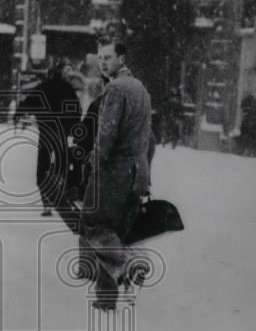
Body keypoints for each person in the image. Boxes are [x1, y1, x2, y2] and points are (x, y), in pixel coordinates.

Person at [78, 41, 153, 311]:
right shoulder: (141, 89)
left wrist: (94, 161)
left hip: (114, 171)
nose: (103, 62)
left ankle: (129, 264)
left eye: (108, 57)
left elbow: (106, 133)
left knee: (93, 223)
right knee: (116, 229)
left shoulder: (115, 88)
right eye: (100, 57)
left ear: (122, 57)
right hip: (137, 171)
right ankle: (107, 297)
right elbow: (148, 138)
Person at [16, 58, 81, 216]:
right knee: (62, 166)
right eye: (66, 71)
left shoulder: (43, 87)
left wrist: (19, 112)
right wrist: (74, 130)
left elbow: (29, 102)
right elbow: (76, 111)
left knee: (42, 167)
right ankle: (62, 195)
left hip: (46, 131)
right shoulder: (67, 88)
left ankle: (46, 201)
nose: (69, 74)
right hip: (61, 132)